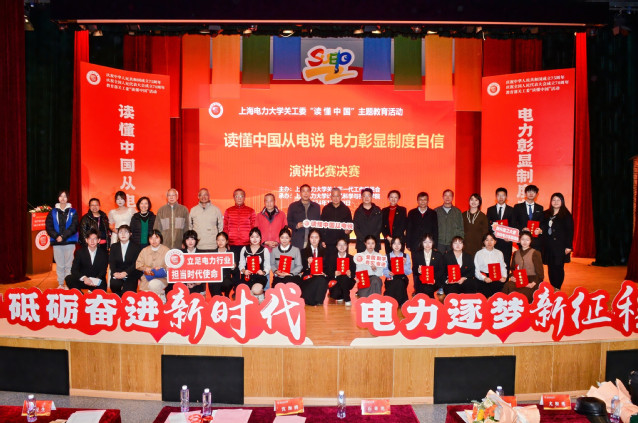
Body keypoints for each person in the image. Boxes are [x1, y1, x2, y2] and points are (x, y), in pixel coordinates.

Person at [45, 190, 79, 289]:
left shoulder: (73, 211)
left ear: (68, 198)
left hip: (69, 242)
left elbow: (74, 226)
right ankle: (60, 284)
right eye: (61, 196)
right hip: (57, 242)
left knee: (69, 264)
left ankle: (68, 284)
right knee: (59, 264)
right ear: (58, 198)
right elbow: (48, 226)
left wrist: (63, 236)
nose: (63, 198)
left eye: (65, 196)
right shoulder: (52, 212)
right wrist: (56, 236)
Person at [541, 192, 574, 290]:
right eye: (553, 200)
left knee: (558, 267)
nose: (555, 202)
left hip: (560, 246)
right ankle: (553, 286)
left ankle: (558, 287)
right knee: (550, 267)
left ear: (562, 201)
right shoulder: (546, 214)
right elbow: (542, 227)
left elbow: (570, 231)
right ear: (551, 202)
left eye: (558, 200)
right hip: (548, 245)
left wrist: (569, 246)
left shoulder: (566, 215)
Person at [224, 188, 256, 284]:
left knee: (247, 267)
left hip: (246, 244)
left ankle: (246, 287)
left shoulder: (250, 211)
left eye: (241, 196)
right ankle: (236, 288)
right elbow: (225, 227)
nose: (239, 198)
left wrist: (252, 243)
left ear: (244, 197)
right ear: (234, 198)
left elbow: (254, 227)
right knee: (235, 268)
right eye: (237, 196)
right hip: (232, 244)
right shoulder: (228, 211)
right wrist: (226, 243)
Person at [503, 232, 544, 302]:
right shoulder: (516, 253)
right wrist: (512, 276)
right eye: (522, 239)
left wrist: (533, 283)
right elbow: (513, 269)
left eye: (527, 240)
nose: (525, 242)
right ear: (519, 240)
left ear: (531, 241)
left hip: (531, 281)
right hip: (519, 279)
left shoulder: (535, 253)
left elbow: (540, 274)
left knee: (523, 294)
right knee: (507, 286)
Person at [320, 187, 353, 266]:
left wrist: (349, 230)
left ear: (341, 196)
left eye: (337, 196)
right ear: (330, 197)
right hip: (329, 242)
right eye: (333, 196)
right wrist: (322, 239)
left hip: (342, 243)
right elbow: (321, 225)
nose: (335, 198)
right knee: (329, 263)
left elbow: (351, 224)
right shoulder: (326, 209)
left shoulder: (346, 209)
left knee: (342, 265)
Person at [136, 229, 171, 303]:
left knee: (153, 285)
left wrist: (162, 267)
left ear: (160, 238)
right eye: (151, 238)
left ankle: (161, 300)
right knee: (144, 298)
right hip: (147, 277)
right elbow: (138, 264)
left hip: (161, 278)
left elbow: (170, 265)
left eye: (156, 237)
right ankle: (159, 297)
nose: (154, 240)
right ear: (148, 240)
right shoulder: (144, 250)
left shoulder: (166, 250)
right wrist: (145, 268)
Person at [486, 187, 515, 273]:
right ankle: (494, 281)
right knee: (494, 263)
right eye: (499, 195)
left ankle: (505, 281)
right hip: (494, 242)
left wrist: (509, 237)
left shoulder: (511, 210)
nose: (501, 197)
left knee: (506, 263)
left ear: (506, 197)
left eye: (503, 195)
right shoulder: (490, 209)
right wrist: (492, 238)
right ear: (496, 196)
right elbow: (488, 225)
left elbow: (513, 225)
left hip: (507, 242)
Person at [238, 227, 270, 302]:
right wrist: (244, 271)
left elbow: (268, 266)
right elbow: (241, 264)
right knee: (245, 292)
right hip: (247, 276)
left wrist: (263, 272)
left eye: (257, 237)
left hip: (259, 277)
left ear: (260, 238)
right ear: (249, 238)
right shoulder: (244, 249)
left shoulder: (265, 250)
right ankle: (255, 299)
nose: (255, 239)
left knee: (255, 290)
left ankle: (259, 297)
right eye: (252, 237)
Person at [109, 224, 142, 297]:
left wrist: (126, 273)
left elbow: (136, 263)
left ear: (130, 234)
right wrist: (114, 273)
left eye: (126, 232)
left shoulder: (136, 247)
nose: (123, 234)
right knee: (114, 285)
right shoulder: (114, 246)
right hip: (118, 273)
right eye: (121, 232)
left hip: (131, 273)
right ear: (118, 234)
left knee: (128, 294)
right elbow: (112, 262)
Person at [411, 234, 446, 298]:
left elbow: (441, 270)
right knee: (422, 289)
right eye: (425, 242)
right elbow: (414, 270)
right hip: (421, 280)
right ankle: (430, 301)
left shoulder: (438, 255)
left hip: (434, 280)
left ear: (433, 243)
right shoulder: (417, 255)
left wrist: (433, 279)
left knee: (427, 288)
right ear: (422, 243)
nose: (427, 245)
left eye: (430, 242)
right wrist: (418, 271)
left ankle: (429, 301)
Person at [287, 184, 321, 250]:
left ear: (310, 193)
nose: (305, 193)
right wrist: (296, 225)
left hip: (312, 242)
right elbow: (288, 222)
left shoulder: (316, 207)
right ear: (300, 193)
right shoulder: (293, 206)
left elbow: (319, 223)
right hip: (297, 240)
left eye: (307, 191)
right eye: (303, 191)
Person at [474, 233, 508, 297]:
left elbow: (502, 267)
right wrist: (484, 278)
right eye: (487, 240)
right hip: (484, 277)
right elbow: (476, 270)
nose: (489, 242)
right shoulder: (479, 253)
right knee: (484, 295)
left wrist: (504, 276)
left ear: (495, 242)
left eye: (491, 240)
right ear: (484, 242)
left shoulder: (499, 253)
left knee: (498, 296)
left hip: (496, 277)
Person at [300, 229, 328, 306]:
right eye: (312, 237)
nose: (314, 240)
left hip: (320, 276)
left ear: (319, 239)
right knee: (308, 299)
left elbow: (328, 266)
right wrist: (308, 264)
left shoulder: (325, 251)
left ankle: (318, 301)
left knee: (322, 280)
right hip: (308, 277)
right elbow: (301, 268)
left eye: (316, 237)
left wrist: (324, 273)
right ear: (309, 239)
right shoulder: (303, 251)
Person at [382, 236, 412, 307]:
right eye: (394, 243)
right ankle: (399, 302)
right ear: (391, 245)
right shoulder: (387, 256)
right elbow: (384, 270)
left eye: (399, 244)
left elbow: (409, 272)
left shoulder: (405, 256)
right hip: (391, 277)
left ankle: (391, 302)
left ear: (402, 245)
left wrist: (404, 265)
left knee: (399, 282)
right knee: (394, 282)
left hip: (402, 278)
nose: (396, 246)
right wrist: (388, 273)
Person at [512, 184, 544, 250]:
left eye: (533, 192)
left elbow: (542, 223)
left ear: (536, 194)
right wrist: (522, 229)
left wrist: (540, 230)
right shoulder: (518, 207)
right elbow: (513, 222)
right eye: (529, 191)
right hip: (522, 240)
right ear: (525, 193)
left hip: (536, 241)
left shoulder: (540, 208)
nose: (531, 194)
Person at [327, 237, 356, 306]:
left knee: (344, 278)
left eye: (344, 244)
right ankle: (341, 295)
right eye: (339, 245)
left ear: (347, 246)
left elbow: (354, 273)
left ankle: (347, 298)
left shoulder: (351, 258)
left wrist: (350, 274)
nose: (342, 247)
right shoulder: (332, 258)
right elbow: (328, 272)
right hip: (336, 281)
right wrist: (334, 274)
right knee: (336, 294)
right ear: (336, 246)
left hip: (348, 281)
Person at [353, 188, 382, 252]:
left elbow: (380, 226)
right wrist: (364, 240)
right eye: (364, 196)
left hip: (374, 243)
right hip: (361, 243)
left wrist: (372, 239)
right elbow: (356, 227)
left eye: (368, 196)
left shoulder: (378, 210)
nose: (366, 198)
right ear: (361, 197)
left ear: (372, 197)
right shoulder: (358, 211)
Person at [435, 189, 464, 254]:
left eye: (450, 195)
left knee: (452, 260)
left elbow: (461, 227)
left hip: (453, 242)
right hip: (439, 242)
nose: (447, 198)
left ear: (452, 197)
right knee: (439, 259)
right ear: (443, 197)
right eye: (445, 195)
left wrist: (459, 242)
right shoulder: (436, 211)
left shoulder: (457, 212)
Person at [209, 232, 235, 298]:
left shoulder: (230, 254)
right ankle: (218, 298)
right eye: (218, 240)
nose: (220, 242)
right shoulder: (212, 254)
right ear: (216, 241)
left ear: (226, 241)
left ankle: (226, 296)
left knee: (228, 283)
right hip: (215, 278)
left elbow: (234, 271)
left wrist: (233, 267)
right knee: (212, 284)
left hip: (226, 278)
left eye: (222, 240)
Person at [180, 230, 205, 295]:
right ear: (184, 241)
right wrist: (186, 282)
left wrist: (195, 283)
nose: (190, 242)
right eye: (188, 239)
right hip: (183, 282)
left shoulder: (201, 254)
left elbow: (204, 271)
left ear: (196, 240)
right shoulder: (180, 253)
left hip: (198, 283)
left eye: (192, 239)